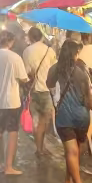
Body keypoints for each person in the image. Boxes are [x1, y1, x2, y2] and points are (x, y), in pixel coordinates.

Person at [47, 40, 92, 183]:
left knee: (71, 152)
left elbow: (48, 83)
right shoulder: (82, 70)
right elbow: (90, 96)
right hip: (81, 116)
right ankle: (68, 180)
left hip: (64, 115)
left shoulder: (55, 68)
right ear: (75, 53)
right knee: (76, 150)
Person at [0, 30, 29, 175]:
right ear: (10, 42)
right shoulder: (15, 58)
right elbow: (23, 78)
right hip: (12, 102)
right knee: (12, 132)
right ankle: (9, 167)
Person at [22, 26, 57, 156]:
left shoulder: (27, 51)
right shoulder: (50, 50)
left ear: (30, 37)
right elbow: (54, 70)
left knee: (36, 121)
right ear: (41, 37)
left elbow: (26, 73)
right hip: (47, 91)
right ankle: (41, 147)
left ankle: (39, 148)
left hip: (34, 90)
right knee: (45, 121)